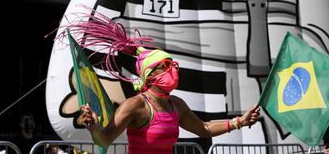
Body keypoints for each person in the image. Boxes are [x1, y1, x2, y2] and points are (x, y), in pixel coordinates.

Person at [67, 10, 261, 153]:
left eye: (173, 65)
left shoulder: (176, 105)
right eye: (165, 66)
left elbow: (204, 129)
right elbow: (104, 140)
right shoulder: (135, 105)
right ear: (149, 74)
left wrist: (239, 122)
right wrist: (93, 127)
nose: (173, 70)